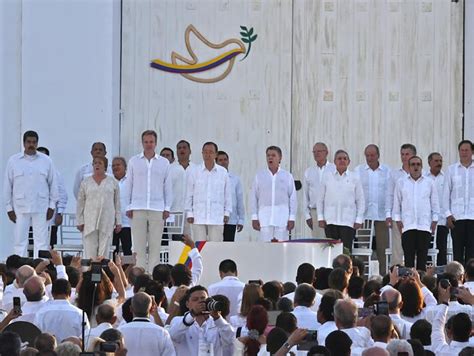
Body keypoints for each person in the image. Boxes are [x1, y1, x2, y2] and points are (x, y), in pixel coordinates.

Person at [4, 130, 59, 257]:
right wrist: (9, 208)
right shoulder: (13, 161)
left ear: (37, 143)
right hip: (20, 207)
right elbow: (7, 186)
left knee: (41, 242)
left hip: (41, 206)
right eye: (28, 142)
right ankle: (20, 270)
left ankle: (39, 270)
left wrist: (52, 206)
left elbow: (53, 184)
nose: (31, 145)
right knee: (19, 241)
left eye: (34, 142)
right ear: (24, 143)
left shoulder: (46, 161)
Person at [124, 130, 173, 270]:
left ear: (156, 143)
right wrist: (128, 206)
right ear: (142, 143)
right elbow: (129, 184)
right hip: (138, 207)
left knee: (155, 245)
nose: (149, 145)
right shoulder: (134, 161)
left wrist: (167, 207)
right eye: (146, 142)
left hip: (157, 208)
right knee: (138, 245)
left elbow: (167, 186)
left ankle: (153, 275)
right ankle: (139, 275)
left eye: (151, 142)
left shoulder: (164, 163)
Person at [392, 156, 439, 270]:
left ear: (422, 166)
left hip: (424, 225)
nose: (415, 167)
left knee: (422, 259)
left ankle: (421, 284)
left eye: (418, 164)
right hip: (408, 225)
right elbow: (397, 203)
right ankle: (409, 285)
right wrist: (398, 220)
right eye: (413, 164)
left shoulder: (429, 182)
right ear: (408, 167)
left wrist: (434, 220)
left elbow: (435, 203)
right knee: (408, 259)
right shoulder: (401, 182)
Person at [317, 149, 365, 251]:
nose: (342, 160)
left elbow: (360, 200)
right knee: (331, 251)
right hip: (330, 220)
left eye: (345, 158)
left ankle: (347, 267)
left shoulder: (355, 177)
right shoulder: (327, 176)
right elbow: (320, 199)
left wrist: (359, 219)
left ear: (349, 161)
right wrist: (320, 217)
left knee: (346, 251)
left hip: (348, 221)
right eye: (339, 158)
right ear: (334, 161)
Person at [76, 156, 122, 258]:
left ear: (105, 166)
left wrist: (118, 221)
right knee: (89, 250)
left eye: (100, 163)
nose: (97, 165)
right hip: (89, 220)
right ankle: (88, 272)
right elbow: (80, 203)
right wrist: (79, 220)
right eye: (95, 163)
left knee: (104, 251)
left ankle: (102, 272)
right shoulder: (86, 182)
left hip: (106, 220)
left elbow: (117, 203)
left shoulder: (112, 182)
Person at [168, 285, 234, 356]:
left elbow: (230, 339)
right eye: (195, 299)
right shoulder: (178, 321)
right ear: (187, 304)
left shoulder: (217, 322)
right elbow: (173, 336)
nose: (200, 302)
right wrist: (192, 315)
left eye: (203, 299)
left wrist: (218, 318)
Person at [355, 144, 391, 274]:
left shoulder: (387, 171)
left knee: (383, 249)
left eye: (372, 155)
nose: (370, 158)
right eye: (367, 155)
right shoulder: (358, 170)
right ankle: (362, 278)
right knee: (363, 250)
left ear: (378, 155)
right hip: (364, 216)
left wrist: (389, 213)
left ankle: (385, 277)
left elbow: (389, 193)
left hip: (382, 215)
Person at [186, 142, 231, 242]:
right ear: (202, 153)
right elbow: (189, 194)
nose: (207, 155)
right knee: (198, 246)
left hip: (217, 216)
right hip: (198, 216)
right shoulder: (195, 171)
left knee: (216, 248)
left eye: (210, 152)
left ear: (215, 154)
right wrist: (189, 213)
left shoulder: (223, 172)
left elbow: (227, 194)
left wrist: (227, 212)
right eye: (205, 152)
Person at [251, 146, 297, 241]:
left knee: (281, 249)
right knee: (265, 250)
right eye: (268, 155)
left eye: (273, 155)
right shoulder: (259, 176)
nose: (270, 158)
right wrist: (254, 217)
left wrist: (292, 218)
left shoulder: (287, 176)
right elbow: (254, 198)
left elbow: (293, 198)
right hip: (264, 219)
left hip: (282, 220)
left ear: (280, 158)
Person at [443, 140, 474, 265]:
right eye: (462, 150)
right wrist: (448, 214)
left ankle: (471, 280)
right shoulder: (451, 170)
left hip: (473, 217)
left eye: (467, 150)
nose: (464, 153)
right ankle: (458, 279)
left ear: (472, 151)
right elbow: (446, 194)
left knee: (472, 252)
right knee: (457, 251)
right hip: (457, 217)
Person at [386, 143, 417, 266]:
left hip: (415, 217)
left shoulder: (422, 174)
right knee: (397, 247)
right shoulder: (394, 174)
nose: (404, 157)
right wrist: (388, 214)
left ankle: (414, 273)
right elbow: (389, 195)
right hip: (398, 215)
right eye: (402, 154)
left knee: (414, 246)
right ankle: (397, 273)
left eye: (407, 154)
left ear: (414, 155)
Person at [37, 146, 68, 249]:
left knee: (50, 246)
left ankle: (49, 265)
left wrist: (59, 213)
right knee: (32, 245)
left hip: (51, 216)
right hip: (33, 215)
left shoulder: (55, 174)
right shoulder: (29, 173)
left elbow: (62, 195)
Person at [303, 142, 336, 238]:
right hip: (315, 212)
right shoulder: (309, 172)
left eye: (319, 151)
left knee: (332, 242)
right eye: (314, 152)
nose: (317, 154)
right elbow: (305, 195)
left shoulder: (334, 169)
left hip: (332, 212)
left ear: (326, 152)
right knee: (318, 244)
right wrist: (307, 216)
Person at [168, 140, 196, 238]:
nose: (182, 150)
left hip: (192, 213)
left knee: (191, 242)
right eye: (179, 148)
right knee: (175, 243)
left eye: (184, 147)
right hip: (174, 212)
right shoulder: (169, 169)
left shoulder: (196, 169)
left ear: (190, 151)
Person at [216, 151, 245, 241]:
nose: (223, 162)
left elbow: (239, 200)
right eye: (220, 160)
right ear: (216, 162)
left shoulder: (235, 179)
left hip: (231, 219)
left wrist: (241, 219)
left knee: (228, 247)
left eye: (225, 159)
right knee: (215, 246)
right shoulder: (212, 179)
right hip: (215, 219)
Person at [426, 152, 448, 265]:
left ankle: (441, 276)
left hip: (442, 220)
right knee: (426, 250)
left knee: (441, 249)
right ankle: (427, 276)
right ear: (429, 162)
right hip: (427, 222)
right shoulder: (424, 178)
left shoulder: (446, 178)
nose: (439, 163)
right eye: (436, 161)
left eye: (440, 161)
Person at [111, 156, 132, 255]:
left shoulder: (131, 181)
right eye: (113, 165)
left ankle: (127, 270)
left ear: (125, 167)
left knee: (128, 250)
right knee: (112, 250)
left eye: (118, 165)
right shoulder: (109, 181)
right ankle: (112, 270)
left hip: (128, 222)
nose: (115, 167)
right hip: (112, 223)